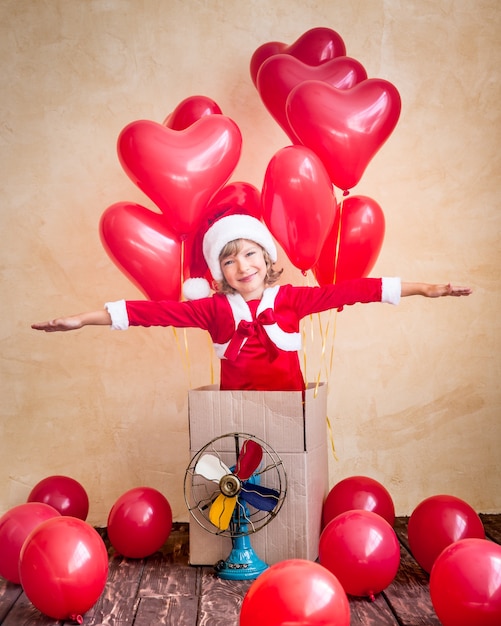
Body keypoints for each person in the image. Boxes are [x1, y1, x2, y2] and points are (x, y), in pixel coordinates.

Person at [32, 209, 472, 391]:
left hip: (289, 414)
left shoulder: (293, 300)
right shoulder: (213, 309)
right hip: (236, 420)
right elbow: (150, 312)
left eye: (249, 254)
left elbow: (353, 291)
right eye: (229, 261)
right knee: (242, 479)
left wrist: (424, 289)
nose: (242, 266)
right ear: (219, 273)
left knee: (288, 475)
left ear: (266, 258)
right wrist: (83, 319)